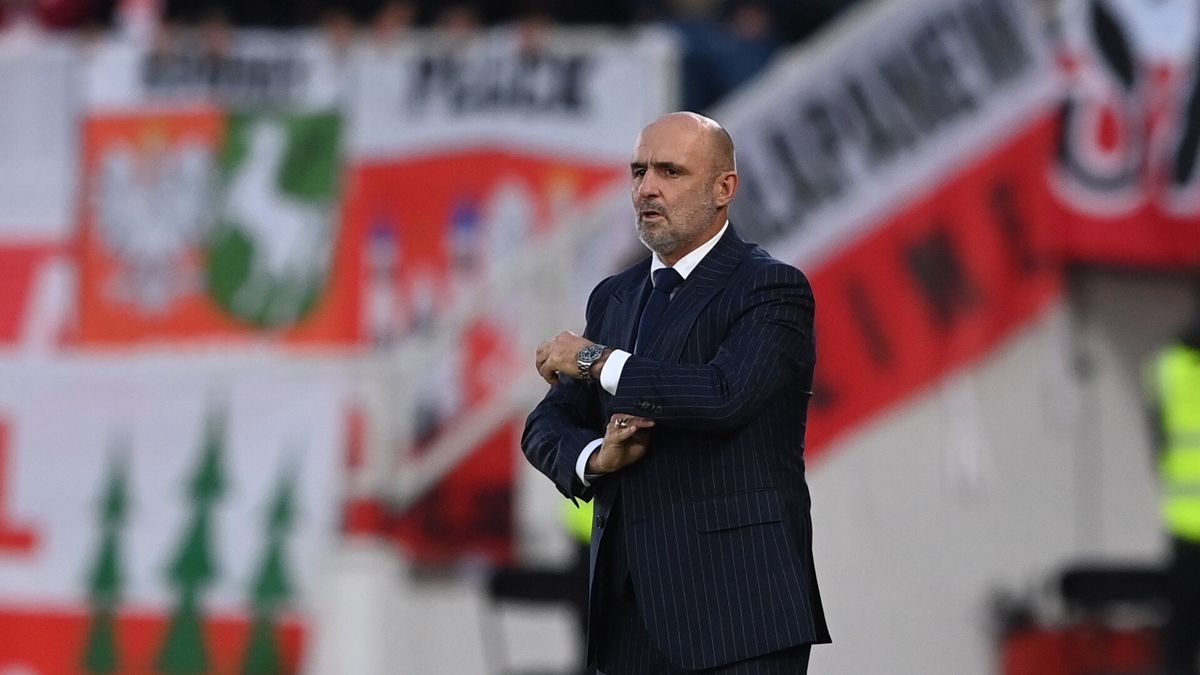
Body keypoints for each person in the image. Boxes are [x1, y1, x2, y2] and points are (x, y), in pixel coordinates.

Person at [521, 111, 830, 674]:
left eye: (670, 171)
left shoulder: (771, 289)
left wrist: (595, 360)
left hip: (740, 617)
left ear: (724, 188)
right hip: (628, 616)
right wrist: (595, 456)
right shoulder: (615, 296)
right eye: (638, 171)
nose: (647, 188)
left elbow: (724, 394)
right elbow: (545, 425)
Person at [1146, 304, 1200, 675]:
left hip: (1184, 526)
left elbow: (1160, 443)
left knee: (1180, 638)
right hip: (1185, 526)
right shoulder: (1168, 368)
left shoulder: (1165, 367)